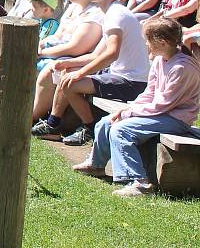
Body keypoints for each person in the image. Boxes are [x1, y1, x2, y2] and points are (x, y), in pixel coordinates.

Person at [72, 18, 200, 198]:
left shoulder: (182, 68)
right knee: (105, 122)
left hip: (175, 119)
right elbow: (150, 93)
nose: (146, 44)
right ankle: (96, 165)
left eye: (148, 40)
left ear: (162, 42)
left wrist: (129, 113)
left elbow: (164, 104)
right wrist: (128, 109)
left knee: (121, 130)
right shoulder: (159, 60)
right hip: (159, 113)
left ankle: (139, 183)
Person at [32, 0, 150, 146]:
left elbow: (111, 53)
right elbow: (96, 55)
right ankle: (54, 124)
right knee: (67, 73)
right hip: (120, 76)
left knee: (70, 83)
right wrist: (67, 63)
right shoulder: (112, 12)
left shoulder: (115, 15)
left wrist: (80, 74)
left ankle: (88, 128)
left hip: (130, 82)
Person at [32, 0, 105, 121]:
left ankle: (31, 116)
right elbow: (58, 34)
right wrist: (41, 44)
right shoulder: (73, 7)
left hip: (77, 59)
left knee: (49, 70)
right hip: (55, 52)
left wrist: (42, 53)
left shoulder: (95, 14)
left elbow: (76, 47)